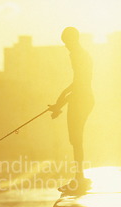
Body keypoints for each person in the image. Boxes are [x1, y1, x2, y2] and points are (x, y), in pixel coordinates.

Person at [48, 27, 94, 192]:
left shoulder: (77, 55)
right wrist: (60, 102)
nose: (66, 46)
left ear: (73, 39)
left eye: (67, 42)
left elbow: (79, 83)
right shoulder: (81, 54)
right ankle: (79, 177)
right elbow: (79, 83)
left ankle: (79, 179)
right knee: (76, 140)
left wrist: (60, 101)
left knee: (76, 139)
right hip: (84, 98)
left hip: (81, 99)